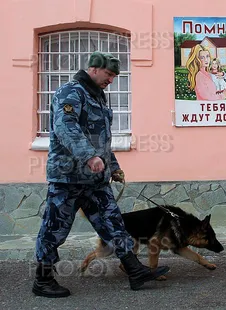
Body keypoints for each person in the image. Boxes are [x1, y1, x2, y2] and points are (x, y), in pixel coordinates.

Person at [33, 51, 170, 298]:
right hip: (68, 178)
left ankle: (134, 270)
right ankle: (43, 280)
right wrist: (88, 156)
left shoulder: (99, 97)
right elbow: (66, 127)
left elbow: (102, 140)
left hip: (96, 180)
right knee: (55, 228)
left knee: (114, 223)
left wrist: (113, 165)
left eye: (115, 76)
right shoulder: (70, 92)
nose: (111, 80)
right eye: (109, 74)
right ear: (94, 69)